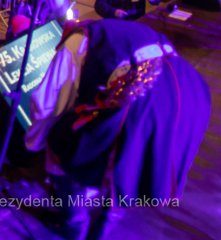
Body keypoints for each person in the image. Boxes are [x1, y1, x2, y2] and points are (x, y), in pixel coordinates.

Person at [26, 19, 210, 239]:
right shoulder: (118, 30)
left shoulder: (75, 41)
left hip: (148, 102)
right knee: (132, 163)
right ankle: (105, 224)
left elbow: (48, 102)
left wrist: (35, 140)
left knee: (62, 145)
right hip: (192, 96)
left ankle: (74, 222)